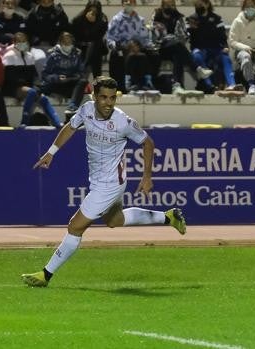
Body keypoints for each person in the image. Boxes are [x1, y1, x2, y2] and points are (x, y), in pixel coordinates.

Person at [21, 76, 187, 288]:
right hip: (101, 179)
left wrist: (147, 177)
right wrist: (51, 152)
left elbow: (148, 143)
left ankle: (46, 274)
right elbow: (70, 128)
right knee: (114, 220)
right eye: (103, 98)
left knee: (75, 226)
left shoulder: (122, 122)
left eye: (112, 98)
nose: (108, 103)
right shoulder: (86, 110)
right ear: (94, 97)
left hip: (110, 184)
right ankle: (168, 217)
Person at [2, 32, 63, 127]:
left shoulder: (29, 56)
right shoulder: (9, 56)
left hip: (27, 86)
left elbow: (34, 76)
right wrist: (28, 86)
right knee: (32, 92)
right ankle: (24, 122)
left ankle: (57, 123)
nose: (22, 43)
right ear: (14, 42)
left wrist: (37, 86)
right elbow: (9, 77)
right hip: (12, 87)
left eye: (24, 41)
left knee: (42, 97)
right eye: (19, 41)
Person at [151, 0, 213, 92]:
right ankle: (197, 69)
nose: (170, 7)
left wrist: (176, 38)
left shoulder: (178, 17)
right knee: (177, 46)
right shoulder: (156, 16)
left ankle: (177, 85)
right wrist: (170, 38)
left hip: (174, 48)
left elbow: (184, 35)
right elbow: (156, 35)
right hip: (160, 48)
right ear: (163, 5)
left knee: (178, 53)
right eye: (167, 5)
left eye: (172, 5)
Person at [187, 0, 242, 93]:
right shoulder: (192, 19)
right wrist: (193, 28)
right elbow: (192, 39)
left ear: (208, 4)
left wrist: (225, 46)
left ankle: (232, 85)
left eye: (203, 3)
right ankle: (210, 86)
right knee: (196, 56)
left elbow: (222, 36)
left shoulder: (217, 18)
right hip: (200, 49)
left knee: (225, 58)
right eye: (199, 3)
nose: (201, 5)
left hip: (216, 49)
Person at [107, 0, 157, 92]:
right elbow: (110, 39)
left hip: (138, 47)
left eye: (131, 2)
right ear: (122, 4)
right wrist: (119, 46)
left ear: (135, 4)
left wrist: (148, 46)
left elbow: (145, 38)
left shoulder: (140, 20)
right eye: (126, 2)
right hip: (122, 47)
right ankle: (128, 85)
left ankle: (145, 83)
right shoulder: (116, 19)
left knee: (153, 54)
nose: (129, 4)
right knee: (117, 55)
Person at [39, 32, 88, 119]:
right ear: (60, 43)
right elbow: (45, 74)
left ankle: (72, 106)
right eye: (65, 43)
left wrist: (75, 77)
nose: (67, 45)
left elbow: (81, 72)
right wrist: (57, 78)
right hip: (56, 84)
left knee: (83, 81)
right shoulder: (53, 55)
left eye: (69, 42)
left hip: (70, 83)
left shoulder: (76, 54)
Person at [228, 0, 255, 94]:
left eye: (252, 6)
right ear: (243, 8)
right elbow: (232, 41)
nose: (250, 8)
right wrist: (245, 48)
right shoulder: (237, 21)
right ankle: (251, 85)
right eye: (248, 6)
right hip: (241, 51)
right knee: (246, 58)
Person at [70, 0, 108, 80]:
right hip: (82, 48)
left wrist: (94, 23)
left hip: (96, 48)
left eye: (95, 8)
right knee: (83, 71)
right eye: (91, 8)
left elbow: (100, 34)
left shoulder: (102, 18)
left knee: (97, 72)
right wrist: (86, 23)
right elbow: (75, 32)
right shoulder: (79, 18)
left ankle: (98, 90)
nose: (93, 10)